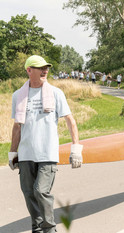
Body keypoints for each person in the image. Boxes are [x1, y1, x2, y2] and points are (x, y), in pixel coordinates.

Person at [8, 55, 83, 233]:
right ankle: (37, 228)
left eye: (46, 67)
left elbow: (70, 121)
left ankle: (49, 229)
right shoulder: (18, 95)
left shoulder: (56, 93)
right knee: (28, 193)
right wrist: (12, 153)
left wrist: (76, 149)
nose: (45, 70)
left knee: (40, 191)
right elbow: (17, 126)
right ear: (29, 70)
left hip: (47, 154)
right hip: (26, 154)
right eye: (40, 67)